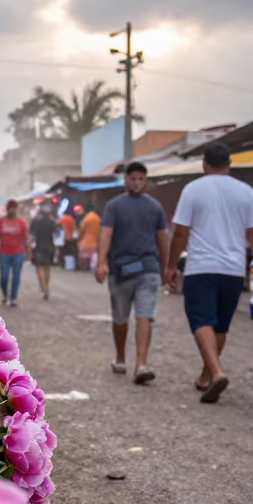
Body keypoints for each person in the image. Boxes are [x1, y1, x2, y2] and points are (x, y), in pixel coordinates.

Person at [164, 142, 253, 404]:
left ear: (204, 164)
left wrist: (170, 266)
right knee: (220, 325)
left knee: (201, 321)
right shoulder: (246, 192)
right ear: (229, 164)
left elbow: (180, 232)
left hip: (201, 267)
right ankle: (205, 377)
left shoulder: (193, 190)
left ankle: (218, 372)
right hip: (233, 270)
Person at [96, 161, 169, 384]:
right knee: (120, 318)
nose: (136, 182)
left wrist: (165, 268)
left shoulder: (155, 207)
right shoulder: (114, 206)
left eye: (140, 179)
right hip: (120, 270)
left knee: (144, 316)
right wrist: (101, 262)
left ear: (146, 181)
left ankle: (141, 364)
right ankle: (120, 357)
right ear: (125, 180)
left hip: (148, 269)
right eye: (132, 178)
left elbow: (162, 240)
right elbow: (106, 234)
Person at [0, 199, 31, 307]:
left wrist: (28, 251)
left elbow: (26, 237)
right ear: (7, 209)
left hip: (18, 254)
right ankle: (5, 294)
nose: (12, 210)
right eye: (10, 208)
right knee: (4, 276)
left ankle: (13, 298)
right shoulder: (1, 221)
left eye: (14, 208)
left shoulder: (21, 222)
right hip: (4, 254)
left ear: (17, 209)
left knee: (16, 276)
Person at [30, 203, 60, 300]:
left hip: (39, 247)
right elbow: (57, 235)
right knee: (47, 268)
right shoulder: (52, 222)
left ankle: (44, 288)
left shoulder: (35, 221)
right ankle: (46, 287)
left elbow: (31, 235)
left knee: (39, 268)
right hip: (50, 247)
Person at [77, 206, 101, 271]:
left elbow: (82, 229)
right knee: (93, 257)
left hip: (86, 241)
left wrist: (79, 238)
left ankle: (85, 268)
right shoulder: (98, 218)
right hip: (95, 242)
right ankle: (92, 268)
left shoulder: (86, 218)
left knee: (84, 257)